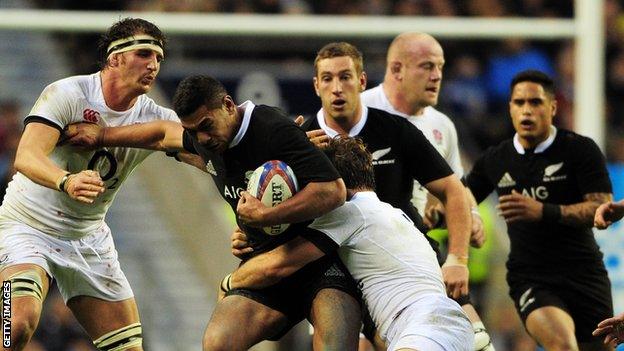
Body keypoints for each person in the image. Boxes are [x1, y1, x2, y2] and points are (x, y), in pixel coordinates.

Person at [65, 75, 362, 351]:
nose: (202, 138)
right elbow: (160, 134)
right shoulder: (204, 141)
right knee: (218, 343)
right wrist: (102, 135)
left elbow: (332, 191)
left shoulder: (272, 129)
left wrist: (266, 217)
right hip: (264, 267)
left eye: (206, 125)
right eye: (193, 131)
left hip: (318, 262)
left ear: (229, 105)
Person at [0, 18, 176, 351]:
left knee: (129, 349)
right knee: (16, 324)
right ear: (115, 58)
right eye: (144, 53)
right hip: (25, 226)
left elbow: (206, 142)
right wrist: (65, 180)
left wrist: (278, 139)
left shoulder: (156, 118)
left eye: (158, 58)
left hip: (87, 238)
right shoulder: (69, 93)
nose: (153, 64)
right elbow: (25, 156)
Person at [298, 41, 473, 347]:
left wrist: (458, 257)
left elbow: (452, 189)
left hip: (400, 265)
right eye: (327, 79)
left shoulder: (395, 130)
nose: (337, 88)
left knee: (476, 337)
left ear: (362, 81)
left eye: (346, 77)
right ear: (316, 86)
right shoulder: (300, 144)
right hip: (334, 265)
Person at [223, 136, 473, 350]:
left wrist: (230, 281)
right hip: (434, 324)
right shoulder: (388, 212)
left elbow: (277, 266)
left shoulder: (349, 214)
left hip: (427, 322)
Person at [360, 32, 492, 350]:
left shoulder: (441, 126)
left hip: (417, 252)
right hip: (360, 259)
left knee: (478, 342)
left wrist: (469, 215)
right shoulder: (361, 112)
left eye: (441, 67)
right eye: (426, 66)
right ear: (396, 69)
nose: (437, 76)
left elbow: (452, 189)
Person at [465, 70, 614, 351]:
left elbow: (600, 208)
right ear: (510, 108)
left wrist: (543, 211)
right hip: (532, 278)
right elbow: (460, 199)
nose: (526, 111)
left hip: (585, 273)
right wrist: (448, 217)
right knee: (562, 344)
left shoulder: (579, 150)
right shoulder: (496, 160)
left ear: (552, 107)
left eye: (535, 102)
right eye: (519, 103)